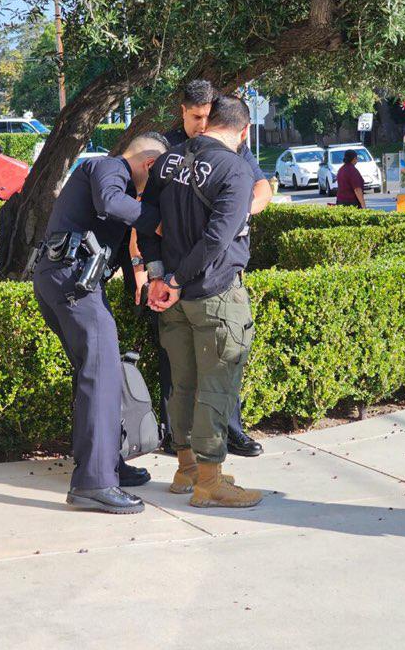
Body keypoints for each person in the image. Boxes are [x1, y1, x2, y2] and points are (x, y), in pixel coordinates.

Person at [128, 79, 271, 458]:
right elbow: (215, 240)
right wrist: (173, 279)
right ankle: (210, 478)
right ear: (244, 131)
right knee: (216, 384)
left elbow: (147, 222)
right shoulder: (235, 169)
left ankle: (184, 468)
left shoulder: (167, 161)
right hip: (213, 292)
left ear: (211, 121)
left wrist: (160, 276)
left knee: (184, 384)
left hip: (171, 293)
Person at [33, 133, 168, 514]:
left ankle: (105, 463)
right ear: (149, 165)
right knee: (102, 374)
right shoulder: (108, 168)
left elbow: (118, 242)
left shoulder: (115, 181)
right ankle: (93, 482)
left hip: (70, 279)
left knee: (95, 374)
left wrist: (140, 286)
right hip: (73, 281)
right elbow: (111, 203)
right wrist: (160, 222)